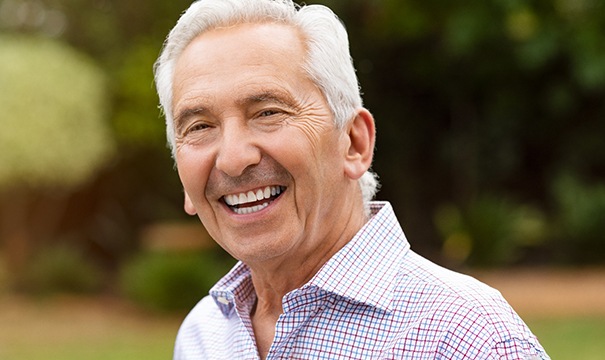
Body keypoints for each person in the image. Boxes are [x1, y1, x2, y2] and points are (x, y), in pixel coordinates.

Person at [154, 0, 550, 359]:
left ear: (354, 143)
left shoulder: (468, 338)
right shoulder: (203, 334)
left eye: (268, 112)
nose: (234, 159)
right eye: (200, 126)